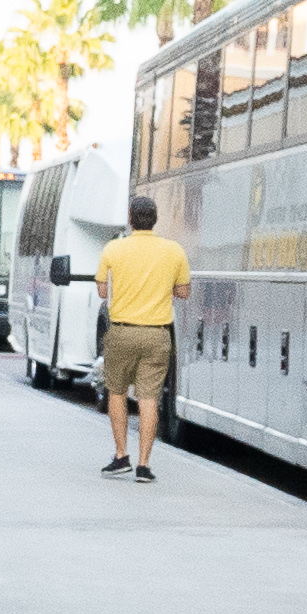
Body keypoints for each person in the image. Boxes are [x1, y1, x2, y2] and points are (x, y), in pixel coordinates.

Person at [92, 192, 188, 479]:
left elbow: (102, 291)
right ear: (155, 220)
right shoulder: (174, 251)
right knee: (148, 398)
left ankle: (122, 456)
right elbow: (183, 292)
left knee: (117, 394)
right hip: (157, 334)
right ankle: (144, 465)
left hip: (121, 332)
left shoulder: (113, 249)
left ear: (131, 219)